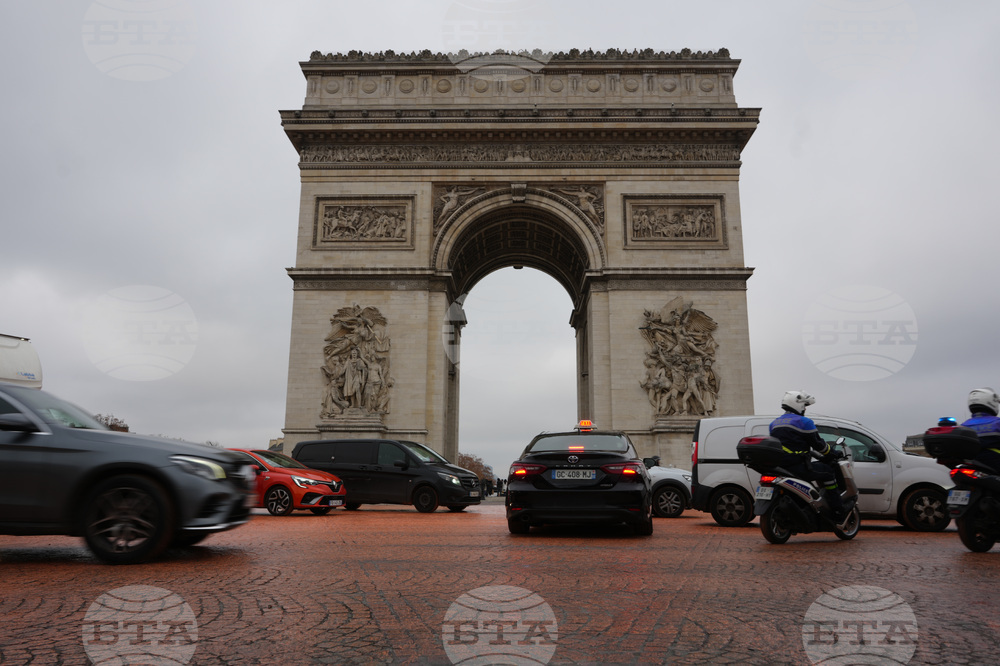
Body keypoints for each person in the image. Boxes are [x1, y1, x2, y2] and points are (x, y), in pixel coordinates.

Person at [769, 390, 847, 522]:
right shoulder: (804, 422)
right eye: (804, 405)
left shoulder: (774, 424)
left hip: (780, 466)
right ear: (797, 404)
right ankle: (837, 509)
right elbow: (819, 445)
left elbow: (788, 444)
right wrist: (833, 453)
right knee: (828, 472)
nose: (805, 408)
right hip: (798, 465)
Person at [961, 387, 1000, 472]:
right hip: (995, 464)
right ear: (992, 402)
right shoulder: (997, 422)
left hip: (970, 465)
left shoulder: (963, 426)